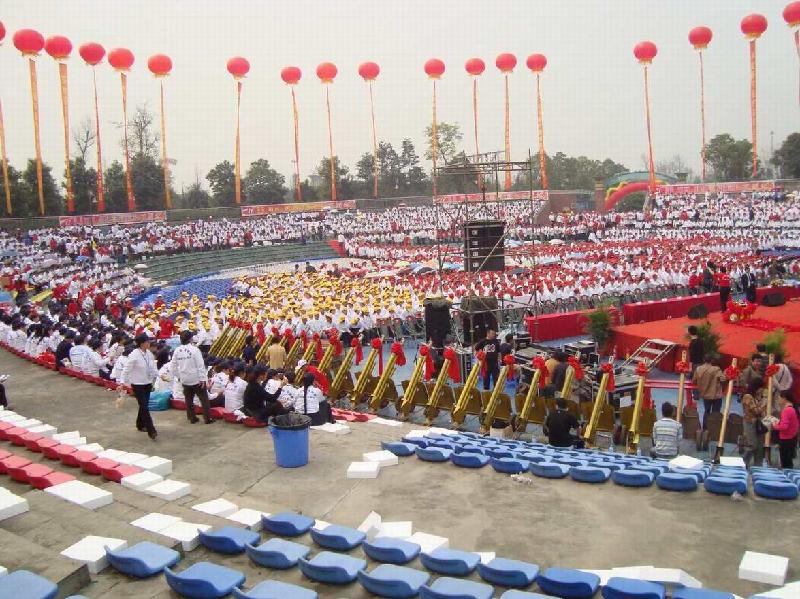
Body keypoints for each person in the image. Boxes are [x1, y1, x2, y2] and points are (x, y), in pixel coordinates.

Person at [171, 330, 214, 424]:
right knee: (203, 399)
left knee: (188, 399)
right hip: (196, 378)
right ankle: (207, 418)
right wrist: (203, 379)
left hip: (185, 378)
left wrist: (179, 376)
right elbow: (200, 365)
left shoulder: (177, 350)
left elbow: (173, 366)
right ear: (190, 339)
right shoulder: (195, 350)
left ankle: (192, 417)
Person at [121, 333, 158, 440]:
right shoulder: (134, 355)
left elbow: (152, 367)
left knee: (144, 405)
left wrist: (159, 375)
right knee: (145, 407)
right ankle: (151, 430)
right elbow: (126, 369)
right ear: (142, 344)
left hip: (147, 382)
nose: (149, 343)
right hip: (137, 384)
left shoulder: (149, 354)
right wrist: (122, 382)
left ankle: (139, 424)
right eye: (147, 341)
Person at [692, 354, 725, 430]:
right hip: (716, 394)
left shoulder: (698, 369)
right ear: (712, 360)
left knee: (706, 411)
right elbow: (723, 379)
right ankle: (713, 429)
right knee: (715, 412)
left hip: (705, 394)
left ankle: (705, 428)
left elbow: (694, 380)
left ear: (704, 360)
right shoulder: (716, 369)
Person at [741, 378, 767, 469]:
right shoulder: (748, 396)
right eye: (761, 388)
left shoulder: (756, 396)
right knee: (752, 444)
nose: (762, 390)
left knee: (760, 446)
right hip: (750, 422)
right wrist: (764, 404)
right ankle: (743, 462)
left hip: (758, 423)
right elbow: (755, 411)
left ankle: (758, 466)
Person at [769, 392, 799, 469]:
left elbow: (784, 426)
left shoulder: (786, 410)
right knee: (788, 461)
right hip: (791, 437)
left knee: (785, 461)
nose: (778, 400)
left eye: (779, 398)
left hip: (786, 438)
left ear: (784, 398)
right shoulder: (793, 409)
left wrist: (774, 425)